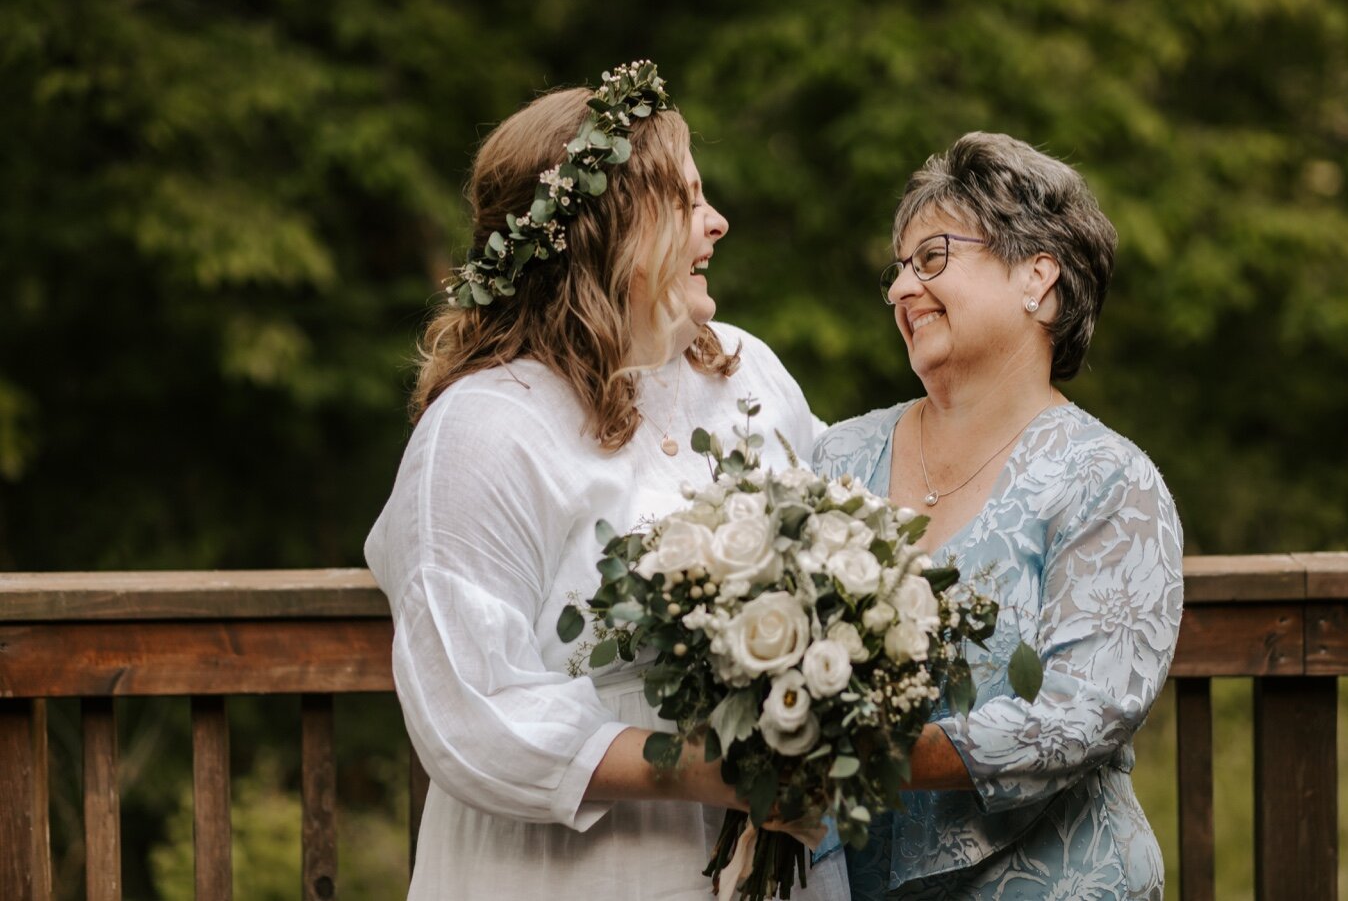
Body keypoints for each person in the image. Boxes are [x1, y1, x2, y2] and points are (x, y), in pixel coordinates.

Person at [365, 63, 848, 900]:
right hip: (569, 870)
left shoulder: (747, 373)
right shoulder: (483, 430)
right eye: (688, 203)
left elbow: (840, 546)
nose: (718, 222)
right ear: (612, 233)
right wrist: (712, 772)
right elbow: (472, 712)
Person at [811, 133, 1184, 900]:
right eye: (899, 268)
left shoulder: (1107, 480)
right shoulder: (838, 457)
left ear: (1037, 277)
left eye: (933, 257)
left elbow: (1083, 712)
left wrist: (863, 750)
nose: (900, 290)